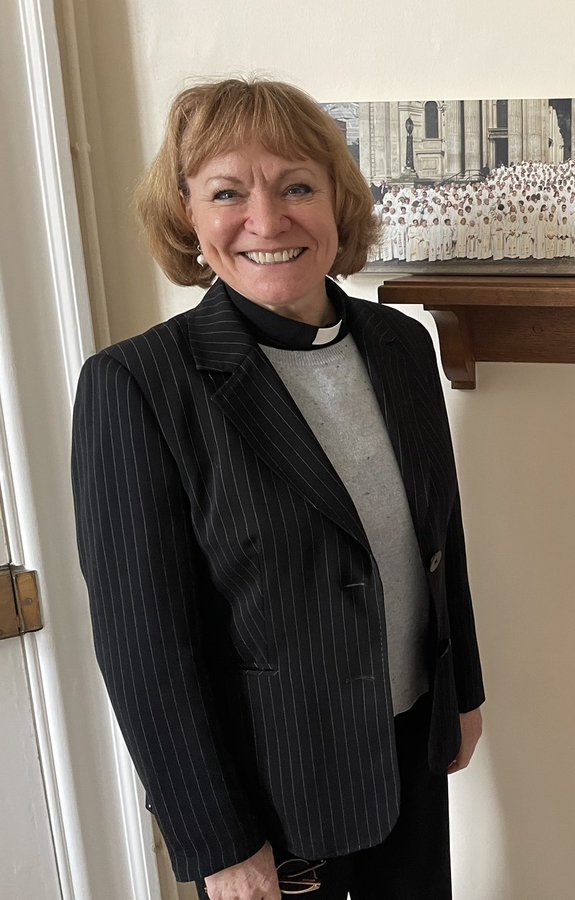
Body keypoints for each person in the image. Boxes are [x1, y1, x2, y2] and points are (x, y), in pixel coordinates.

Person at [71, 78, 485, 900]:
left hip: (412, 751)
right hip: (272, 795)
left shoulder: (401, 347)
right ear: (189, 215)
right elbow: (144, 646)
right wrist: (217, 840)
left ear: (338, 202)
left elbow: (439, 535)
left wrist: (462, 689)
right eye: (228, 193)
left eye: (297, 186)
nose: (266, 222)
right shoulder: (138, 385)